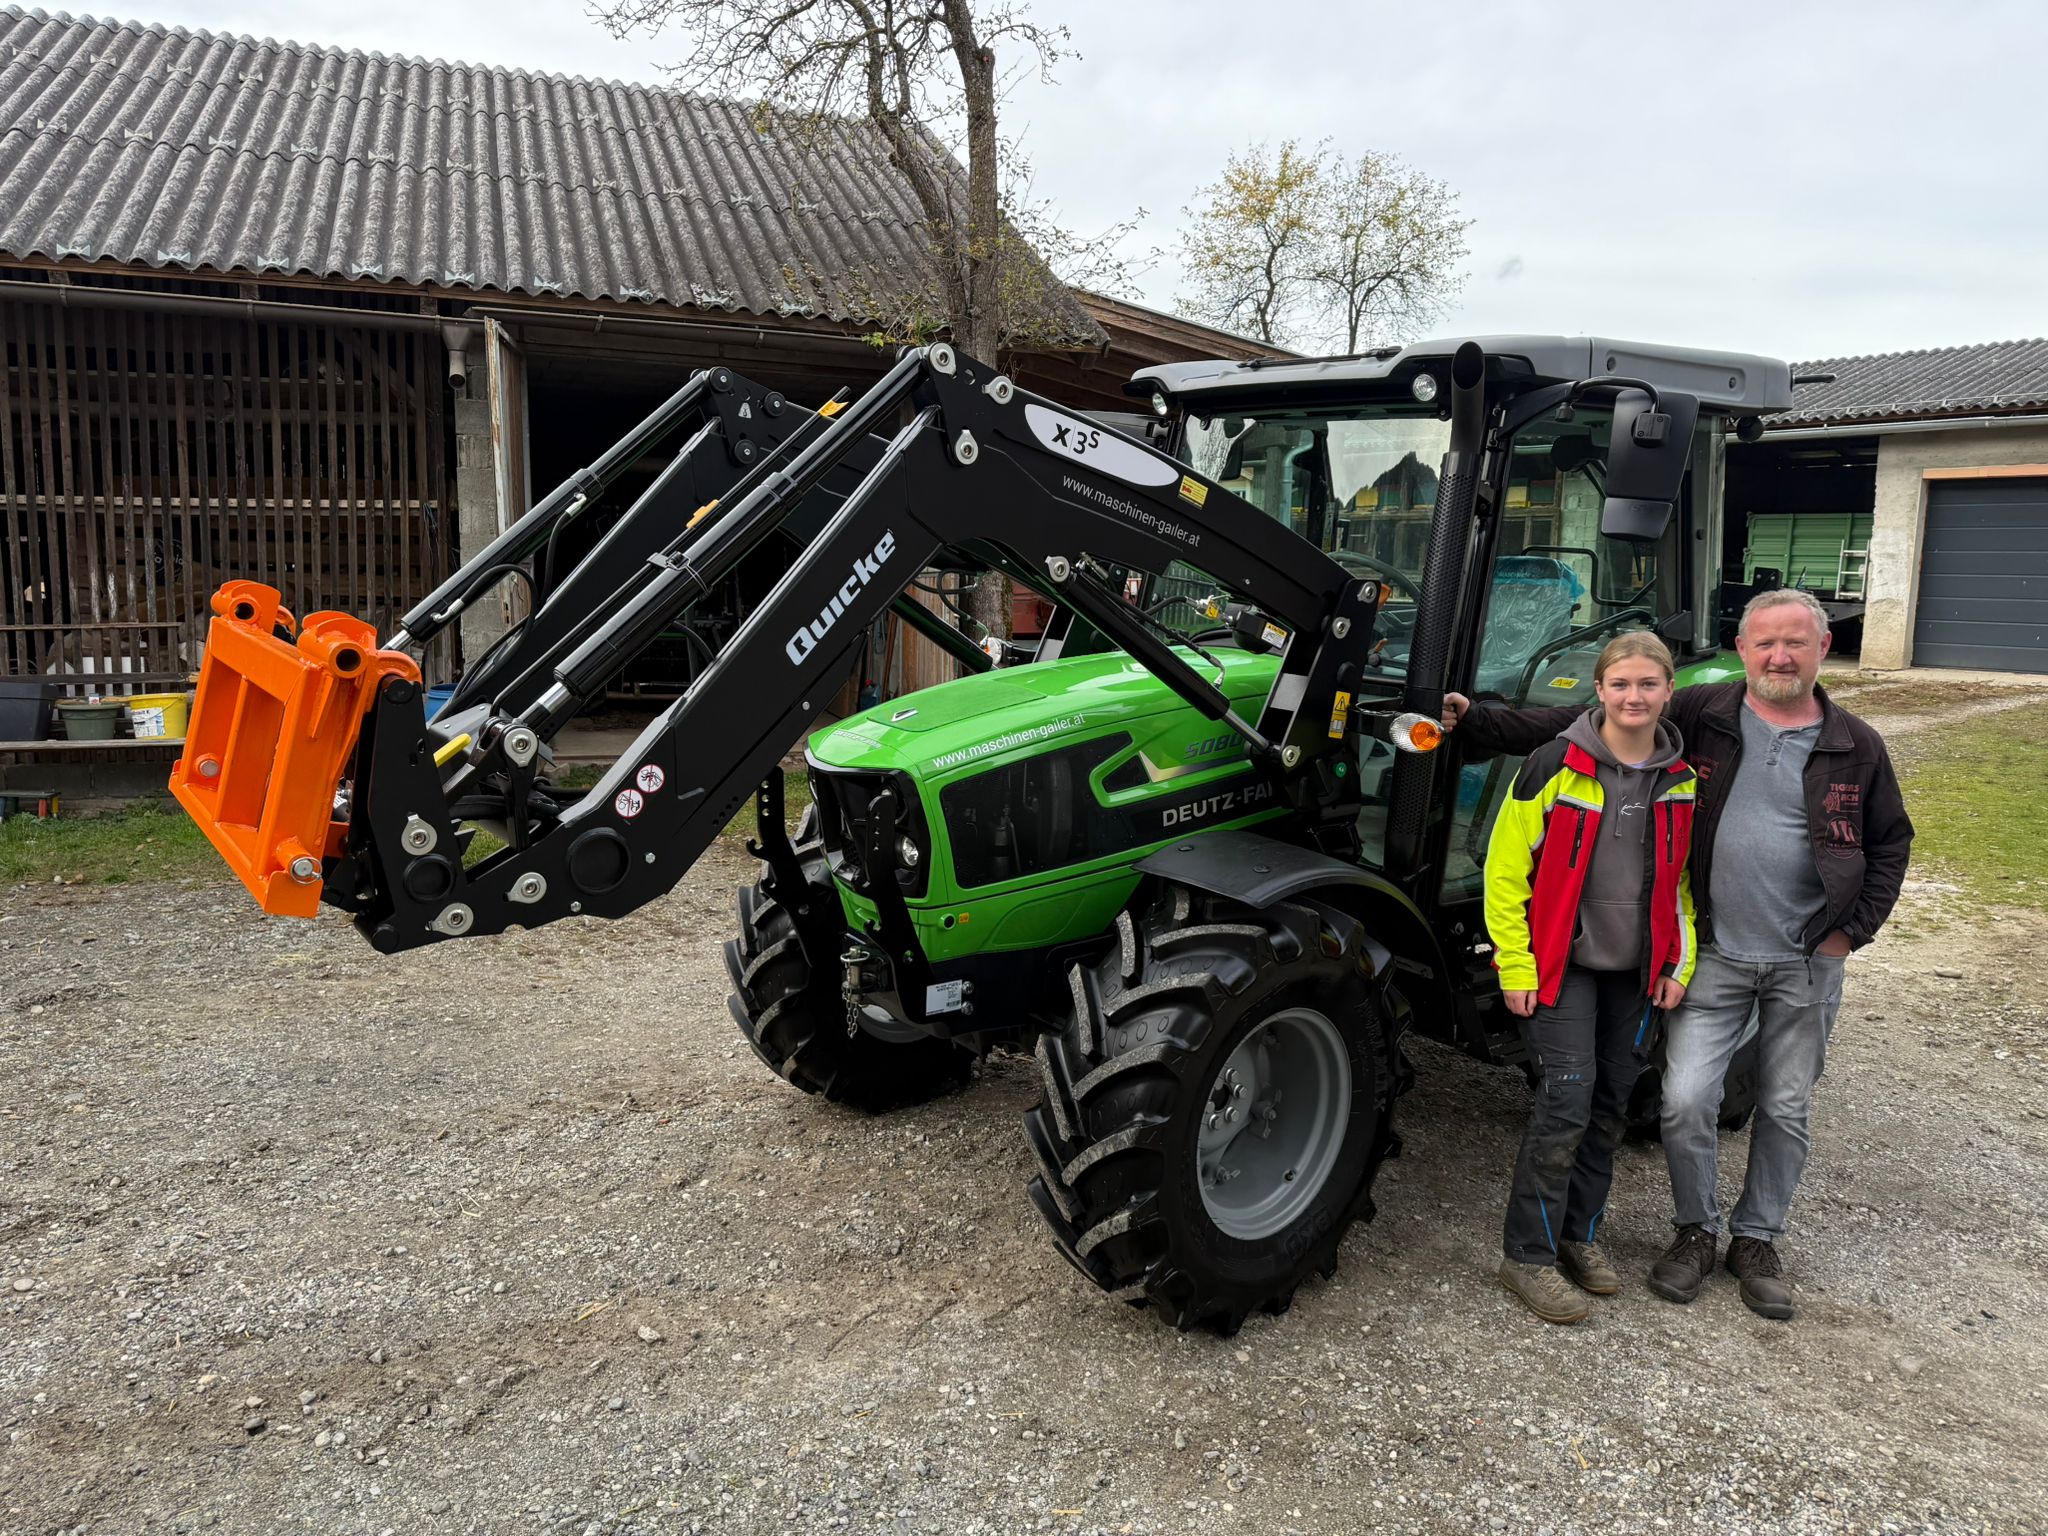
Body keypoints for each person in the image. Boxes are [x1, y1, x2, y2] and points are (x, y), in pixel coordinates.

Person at [1446, 589, 1913, 1319]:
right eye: (1764, 643)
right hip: (1646, 961)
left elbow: (1884, 844)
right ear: (1743, 649)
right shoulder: (1681, 725)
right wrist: (1480, 721)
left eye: (1795, 643)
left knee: (1765, 1106)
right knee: (1646, 1098)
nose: (1779, 657)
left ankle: (1718, 1239)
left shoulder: (1835, 748)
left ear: (1825, 648)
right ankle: (1618, 1243)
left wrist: (1848, 932)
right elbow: (1557, 768)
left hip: (1764, 962)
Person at [1486, 632, 1697, 1325]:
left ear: (1668, 692)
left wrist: (1676, 963)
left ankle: (1578, 1236)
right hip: (1561, 967)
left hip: (1634, 974)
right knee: (1565, 1103)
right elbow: (1504, 869)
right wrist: (1514, 962)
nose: (1633, 697)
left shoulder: (1683, 779)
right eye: (1621, 685)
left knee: (1609, 1105)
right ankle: (1528, 1258)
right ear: (1599, 691)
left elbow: (1681, 889)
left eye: (1648, 685)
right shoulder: (1555, 764)